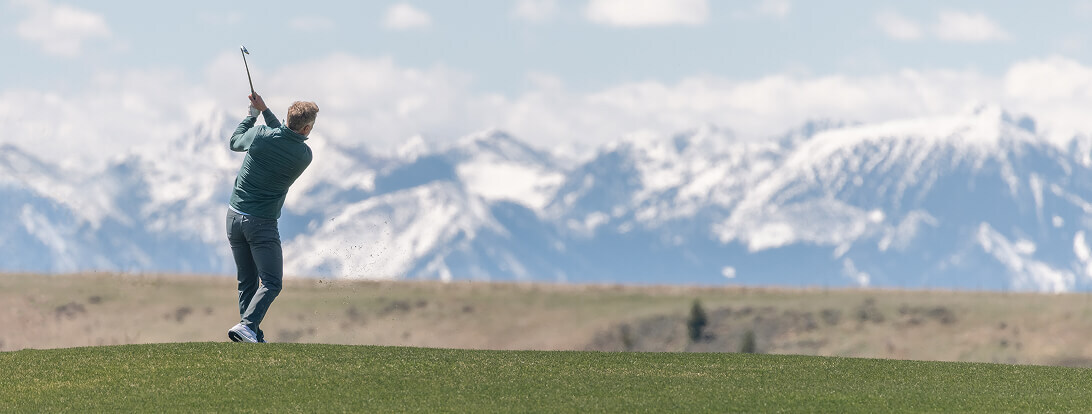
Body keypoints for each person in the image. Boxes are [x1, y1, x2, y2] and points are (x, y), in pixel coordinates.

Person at [225, 93, 318, 343]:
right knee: (272, 282)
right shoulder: (304, 155)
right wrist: (264, 112)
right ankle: (248, 327)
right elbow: (285, 138)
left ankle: (251, 333)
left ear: (288, 118)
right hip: (261, 224)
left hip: (234, 218)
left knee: (247, 282)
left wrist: (252, 116)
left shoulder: (261, 135)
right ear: (307, 128)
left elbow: (235, 142)